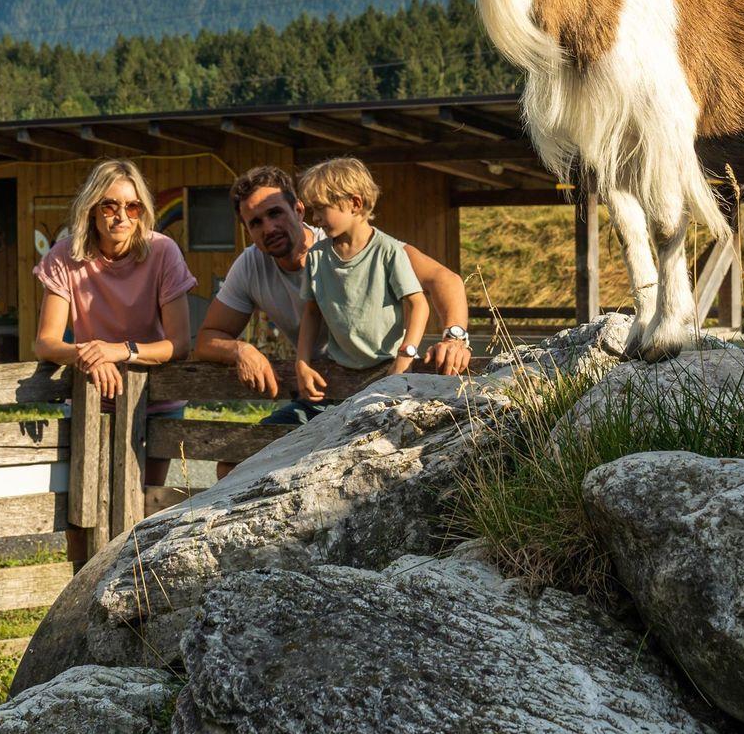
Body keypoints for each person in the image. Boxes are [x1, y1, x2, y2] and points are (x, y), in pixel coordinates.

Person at [193, 164, 473, 424]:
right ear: (246, 230)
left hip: (383, 385)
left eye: (275, 213)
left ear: (298, 209)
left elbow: (444, 279)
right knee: (250, 450)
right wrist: (241, 350)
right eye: (255, 222)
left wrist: (454, 338)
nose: (268, 228)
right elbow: (206, 339)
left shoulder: (348, 243)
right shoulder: (250, 265)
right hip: (321, 395)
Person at [30, 159, 197, 564]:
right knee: (80, 510)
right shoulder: (65, 255)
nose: (121, 216)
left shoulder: (162, 251)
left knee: (143, 508)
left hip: (152, 403)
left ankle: (137, 593)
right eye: (109, 205)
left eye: (132, 206)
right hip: (89, 402)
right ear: (91, 208)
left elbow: (179, 343)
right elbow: (45, 342)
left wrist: (120, 350)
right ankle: (83, 590)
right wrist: (89, 354)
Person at [293, 157, 430, 404]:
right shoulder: (317, 256)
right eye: (313, 210)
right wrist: (302, 362)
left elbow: (418, 304)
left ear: (355, 203)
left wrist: (406, 354)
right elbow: (311, 312)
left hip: (390, 369)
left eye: (321, 209)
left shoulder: (388, 251)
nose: (315, 219)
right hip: (338, 375)